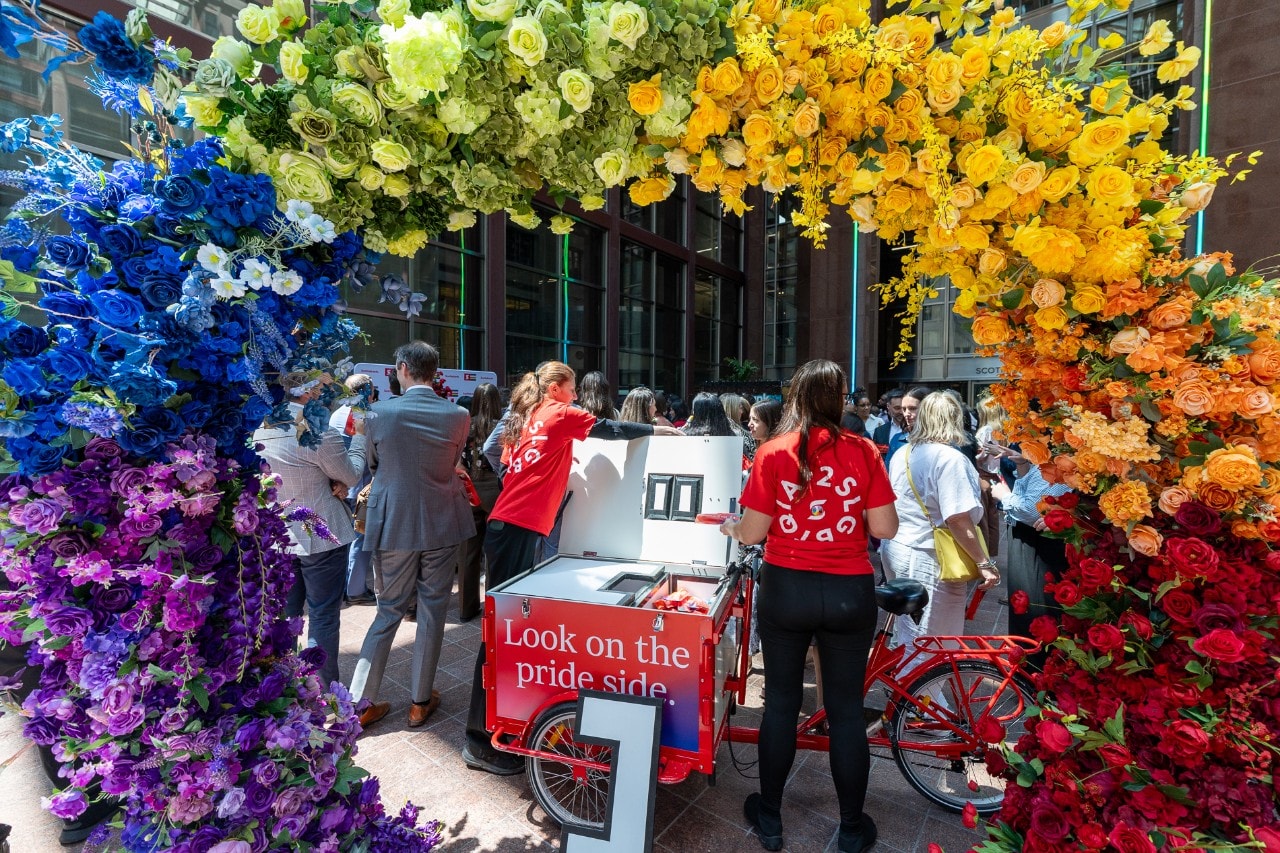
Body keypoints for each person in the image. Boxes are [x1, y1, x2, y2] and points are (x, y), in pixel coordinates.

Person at [464, 361, 680, 774]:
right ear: (559, 387)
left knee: (503, 630)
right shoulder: (560, 413)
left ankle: (495, 725)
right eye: (574, 387)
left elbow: (507, 461)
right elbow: (611, 430)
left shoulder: (528, 416)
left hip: (508, 526)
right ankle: (478, 739)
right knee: (498, 632)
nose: (578, 395)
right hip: (518, 529)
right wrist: (659, 430)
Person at [721, 359, 898, 853]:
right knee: (844, 710)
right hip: (848, 591)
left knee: (780, 702)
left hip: (788, 588)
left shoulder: (773, 451)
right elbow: (884, 529)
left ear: (794, 397)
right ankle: (850, 828)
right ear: (840, 399)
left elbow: (753, 531)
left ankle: (771, 819)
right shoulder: (863, 451)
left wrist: (732, 528)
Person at [349, 342, 474, 731]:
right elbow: (454, 463)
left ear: (402, 368)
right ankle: (420, 702)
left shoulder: (378, 413)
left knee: (387, 611)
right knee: (434, 611)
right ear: (434, 371)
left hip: (393, 522)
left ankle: (359, 702)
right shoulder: (458, 415)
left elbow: (369, 464)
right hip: (442, 520)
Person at [253, 374, 368, 687]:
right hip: (321, 534)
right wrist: (358, 438)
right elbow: (351, 474)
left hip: (277, 535)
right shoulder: (317, 431)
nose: (322, 394)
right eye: (319, 388)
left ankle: (286, 688)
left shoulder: (260, 427)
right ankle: (321, 691)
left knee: (285, 618)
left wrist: (336, 482)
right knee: (323, 615)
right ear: (307, 393)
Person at [883, 392, 999, 659]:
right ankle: (922, 698)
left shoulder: (904, 451)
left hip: (899, 548)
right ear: (954, 419)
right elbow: (956, 518)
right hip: (930, 555)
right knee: (934, 640)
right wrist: (983, 562)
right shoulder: (949, 458)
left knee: (911, 634)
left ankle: (910, 693)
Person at [990, 451, 1070, 670]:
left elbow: (1032, 510)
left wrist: (1004, 495)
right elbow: (1029, 495)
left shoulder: (1063, 457)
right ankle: (1029, 671)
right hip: (1031, 541)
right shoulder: (1048, 453)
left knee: (1037, 613)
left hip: (1041, 545)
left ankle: (1035, 675)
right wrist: (1024, 464)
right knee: (1026, 611)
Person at [457, 382, 504, 622]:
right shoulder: (504, 426)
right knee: (495, 554)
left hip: (469, 491)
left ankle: (466, 608)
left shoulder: (465, 424)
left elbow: (455, 458)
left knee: (468, 552)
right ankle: (494, 610)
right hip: (497, 492)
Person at [329, 373, 377, 605]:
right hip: (361, 489)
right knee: (360, 540)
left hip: (338, 488)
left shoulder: (336, 415)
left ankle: (344, 587)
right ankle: (355, 590)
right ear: (367, 391)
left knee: (342, 541)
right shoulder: (365, 416)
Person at [871, 389, 907, 459]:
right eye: (897, 408)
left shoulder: (914, 430)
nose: (901, 412)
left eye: (904, 408)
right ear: (888, 406)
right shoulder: (880, 431)